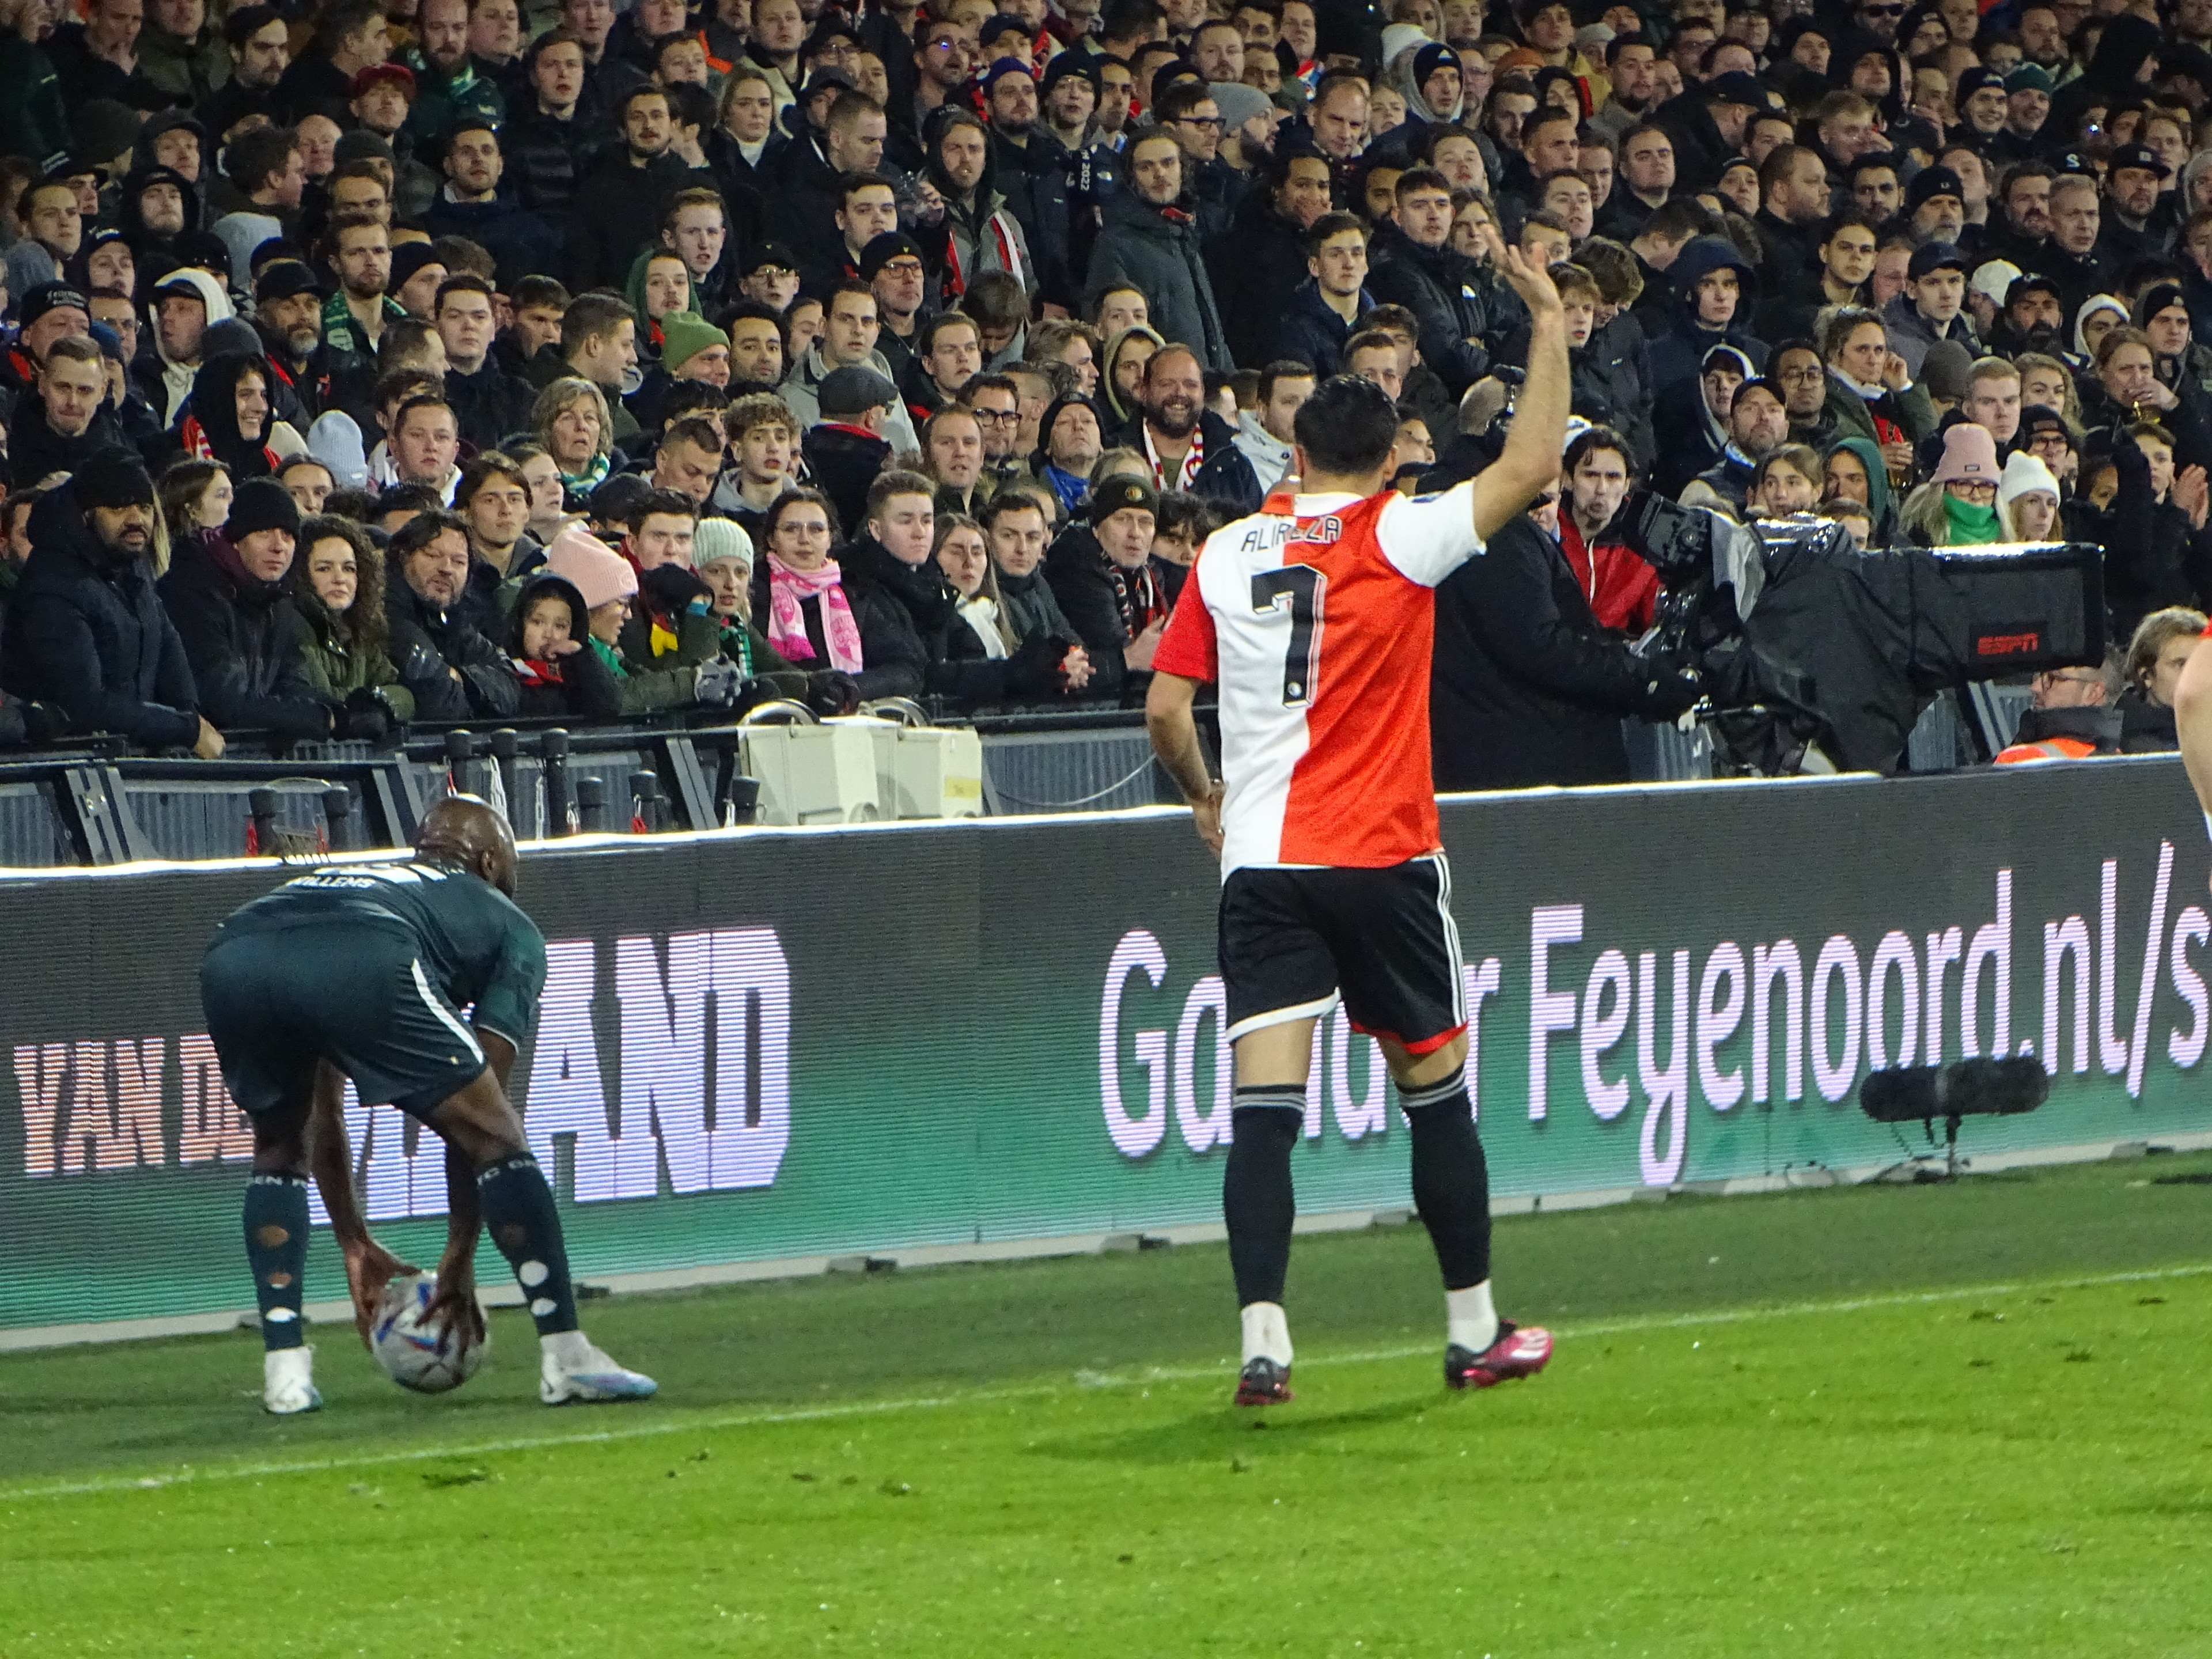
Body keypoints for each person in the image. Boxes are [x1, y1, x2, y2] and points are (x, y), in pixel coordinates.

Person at [1141, 245, 1570, 1409]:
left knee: (1264, 1116)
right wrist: (1545, 322)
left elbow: (1166, 709)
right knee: (1435, 1093)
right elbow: (1533, 463)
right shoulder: (1399, 532)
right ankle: (1472, 1331)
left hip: (1264, 861)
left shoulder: (1227, 551)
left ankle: (1264, 1346)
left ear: (1294, 455)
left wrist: (1204, 794)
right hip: (1381, 854)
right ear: (1388, 463)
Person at [199, 794, 656, 1414]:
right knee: (499, 1139)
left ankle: (286, 1374)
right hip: (368, 948)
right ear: (490, 862)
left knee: (278, 1149)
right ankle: (567, 1356)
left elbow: (323, 1116)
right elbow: (481, 1128)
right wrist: (459, 1257)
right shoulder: (509, 925)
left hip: (236, 951)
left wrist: (354, 1241)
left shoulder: (369, 882)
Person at [1, 447, 223, 756]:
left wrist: (189, 717)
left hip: (128, 758)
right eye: (118, 508)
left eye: (144, 507)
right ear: (87, 515)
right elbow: (84, 704)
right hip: (64, 765)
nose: (136, 520)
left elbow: (168, 648)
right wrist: (184, 729)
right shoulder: (52, 586)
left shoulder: (133, 568)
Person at [158, 478, 333, 742]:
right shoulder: (192, 593)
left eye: (287, 536)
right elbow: (222, 702)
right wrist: (322, 719)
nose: (278, 546)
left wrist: (343, 711)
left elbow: (292, 684)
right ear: (236, 541)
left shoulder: (278, 600)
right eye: (264, 533)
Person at [289, 514, 414, 742]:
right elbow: (319, 697)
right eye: (324, 569)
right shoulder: (294, 627)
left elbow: (403, 694)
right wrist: (359, 708)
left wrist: (378, 702)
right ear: (301, 575)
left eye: (349, 569)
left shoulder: (361, 633)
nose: (340, 578)